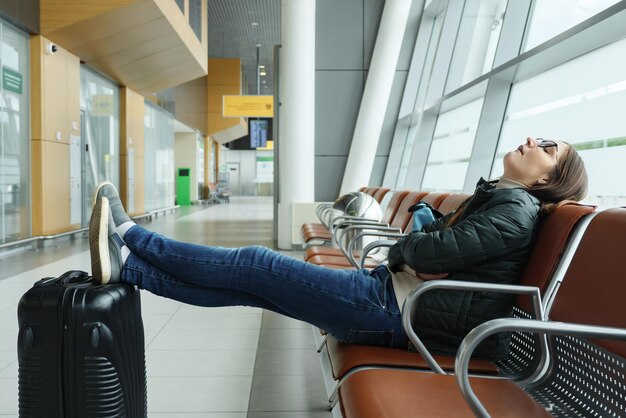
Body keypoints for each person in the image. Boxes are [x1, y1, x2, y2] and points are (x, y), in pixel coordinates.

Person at [89, 137, 588, 360]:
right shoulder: (501, 201)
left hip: (396, 314)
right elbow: (437, 246)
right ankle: (130, 270)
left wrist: (411, 244)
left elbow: (429, 253)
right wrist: (418, 241)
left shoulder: (515, 209)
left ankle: (132, 237)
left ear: (549, 178)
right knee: (252, 286)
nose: (531, 141)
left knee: (253, 264)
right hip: (394, 300)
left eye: (547, 147)